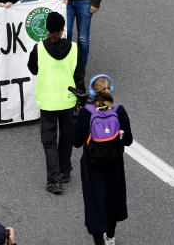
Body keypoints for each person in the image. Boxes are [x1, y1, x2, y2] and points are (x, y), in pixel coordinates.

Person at [27, 11, 84, 195]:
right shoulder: (74, 48)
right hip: (68, 101)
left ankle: (54, 180)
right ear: (62, 29)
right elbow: (79, 75)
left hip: (48, 101)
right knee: (66, 138)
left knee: (49, 141)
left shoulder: (39, 48)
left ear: (47, 29)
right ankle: (65, 171)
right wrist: (80, 97)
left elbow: (33, 69)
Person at [73, 75, 133, 245]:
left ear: (92, 91)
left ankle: (99, 241)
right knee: (112, 199)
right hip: (114, 164)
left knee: (95, 203)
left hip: (92, 166)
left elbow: (76, 142)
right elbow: (128, 140)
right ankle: (111, 237)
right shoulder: (119, 111)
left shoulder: (86, 113)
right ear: (110, 90)